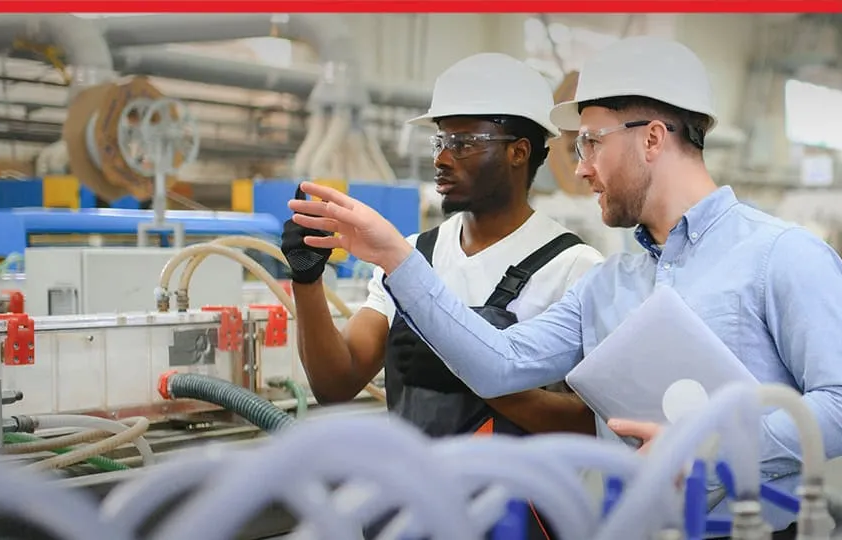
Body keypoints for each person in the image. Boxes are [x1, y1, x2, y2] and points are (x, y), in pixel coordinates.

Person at [286, 36, 842, 539]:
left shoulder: (781, 256)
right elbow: (496, 363)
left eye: (591, 143)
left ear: (651, 139)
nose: (580, 169)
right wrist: (397, 258)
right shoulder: (607, 285)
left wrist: (710, 448)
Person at [281, 52, 604, 538]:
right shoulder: (413, 257)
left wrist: (470, 375)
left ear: (519, 151)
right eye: (440, 139)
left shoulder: (574, 268)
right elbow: (337, 382)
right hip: (411, 514)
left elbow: (590, 426)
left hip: (516, 521)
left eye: (464, 142)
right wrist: (307, 282)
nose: (441, 157)